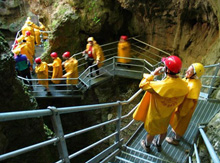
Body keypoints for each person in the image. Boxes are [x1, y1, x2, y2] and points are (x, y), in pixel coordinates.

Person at [133, 56, 189, 153]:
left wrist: (153, 74)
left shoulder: (160, 86)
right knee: (163, 130)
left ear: (166, 70)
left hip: (154, 115)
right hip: (167, 114)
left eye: (165, 66)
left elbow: (142, 84)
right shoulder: (184, 85)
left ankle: (147, 145)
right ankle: (158, 144)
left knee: (151, 132)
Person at [166, 63, 205, 145]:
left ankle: (176, 140)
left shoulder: (194, 86)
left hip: (184, 109)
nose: (186, 71)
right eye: (188, 69)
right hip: (182, 106)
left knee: (181, 124)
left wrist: (181, 112)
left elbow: (188, 103)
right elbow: (184, 82)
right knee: (177, 122)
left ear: (195, 74)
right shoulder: (192, 80)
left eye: (190, 71)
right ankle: (176, 132)